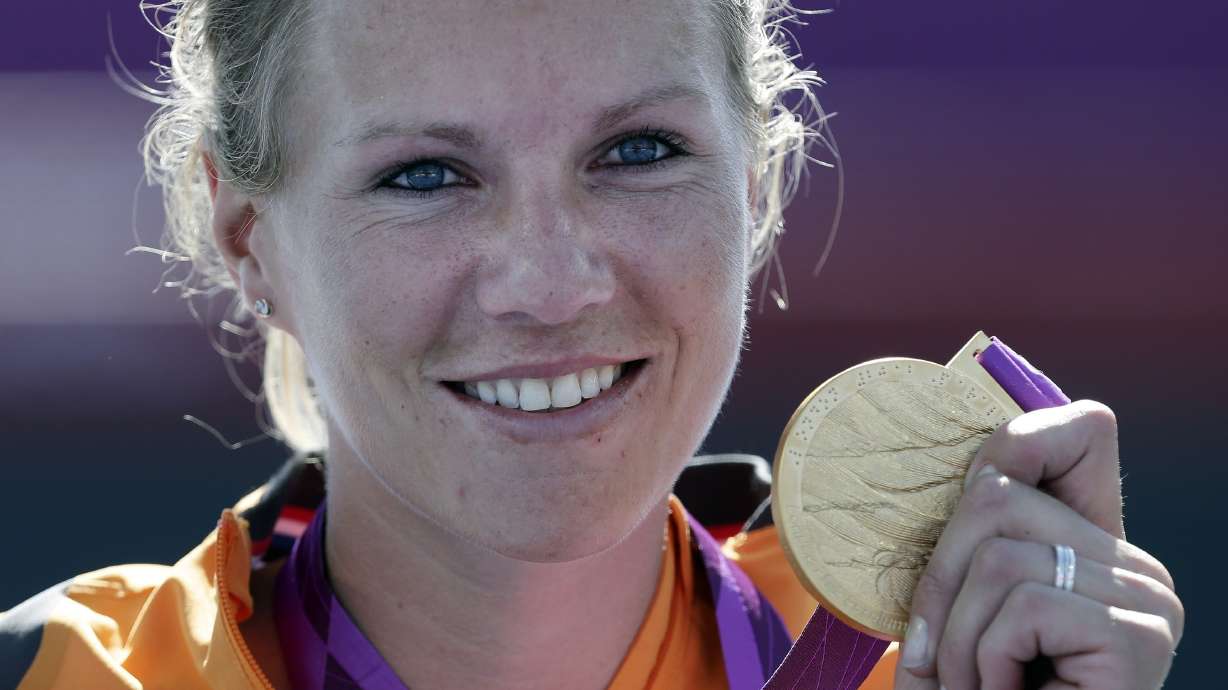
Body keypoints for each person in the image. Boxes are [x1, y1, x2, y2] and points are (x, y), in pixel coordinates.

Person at [0, 0, 1183, 688]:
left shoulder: (939, 667)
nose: (551, 284)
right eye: (425, 175)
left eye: (636, 153)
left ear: (760, 185)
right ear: (248, 239)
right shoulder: (63, 675)